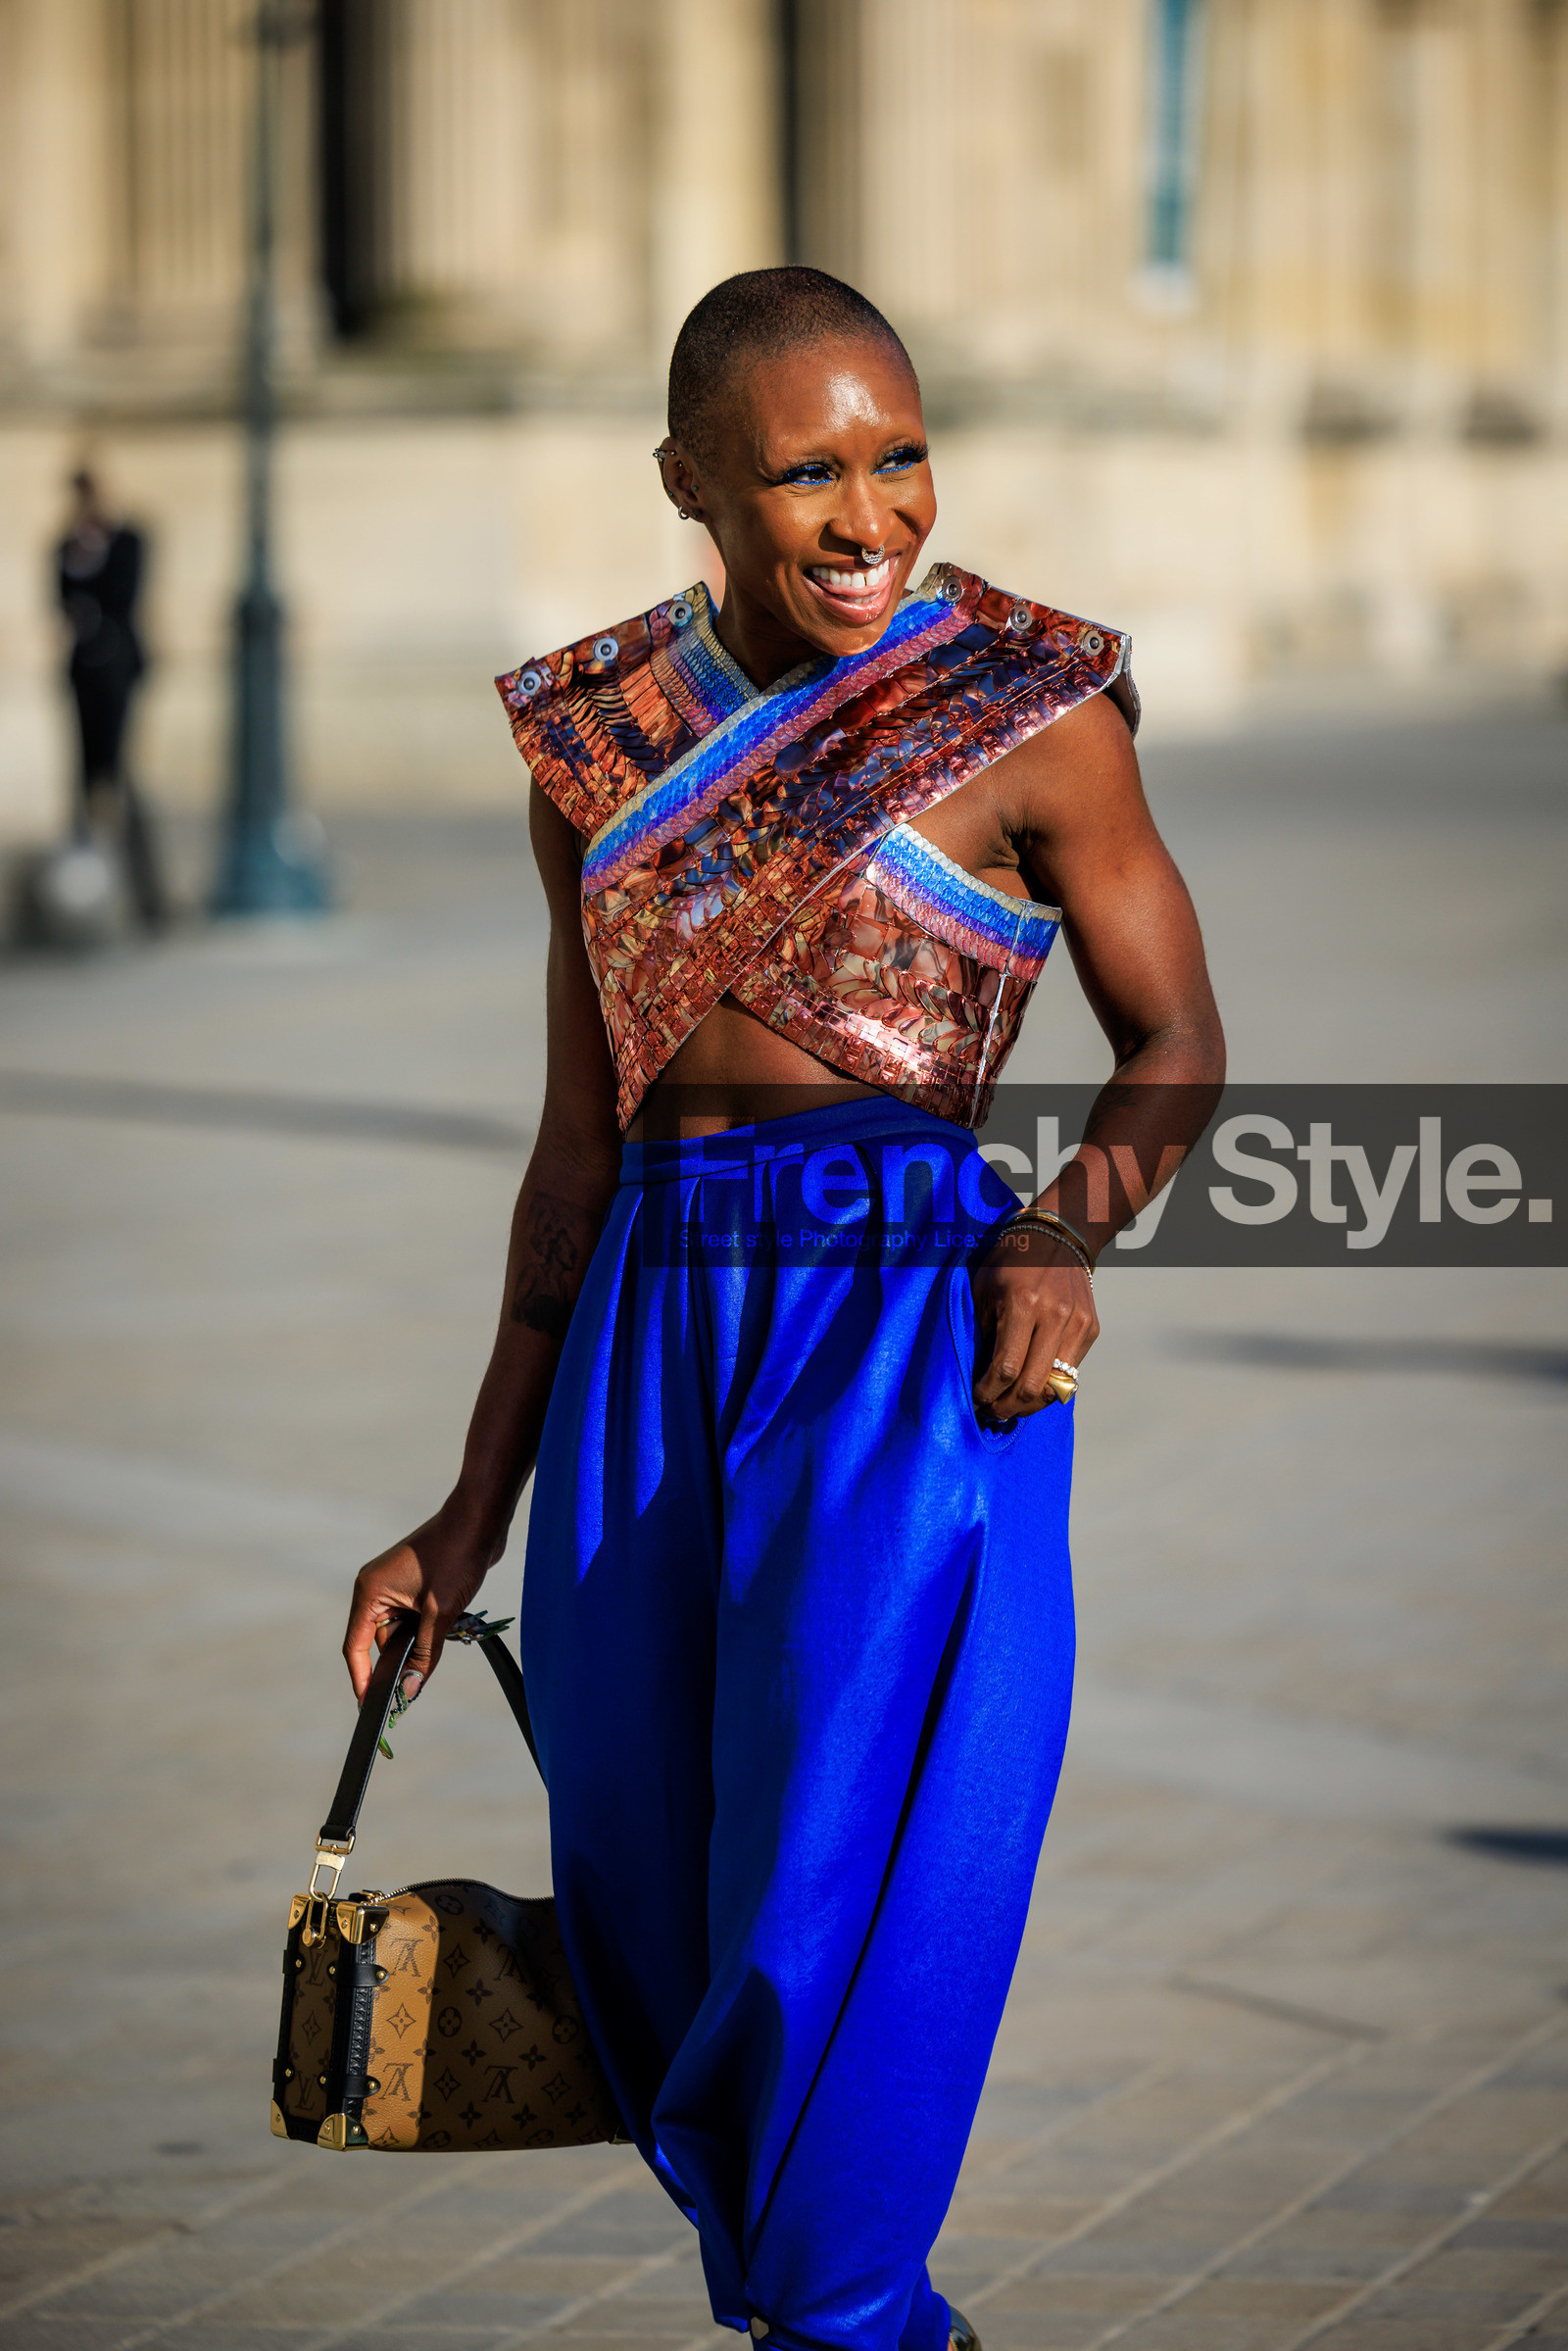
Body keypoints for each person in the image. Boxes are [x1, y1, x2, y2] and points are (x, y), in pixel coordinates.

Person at [344, 269, 1224, 2351]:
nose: (867, 514)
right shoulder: (594, 749)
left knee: (849, 1860)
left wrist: (1066, 1230)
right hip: (647, 1321)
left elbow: (1176, 1042)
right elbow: (574, 1146)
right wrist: (465, 1509)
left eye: (899, 457)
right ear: (689, 482)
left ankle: (853, 2315)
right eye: (807, 472)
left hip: (900, 1323)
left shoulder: (1028, 711)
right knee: (644, 1871)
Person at [57, 467, 167, 929]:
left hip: (118, 672)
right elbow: (61, 600)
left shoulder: (127, 540)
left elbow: (127, 594)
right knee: (84, 780)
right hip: (83, 674)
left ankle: (148, 897)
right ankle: (83, 899)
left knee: (121, 776)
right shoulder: (66, 546)